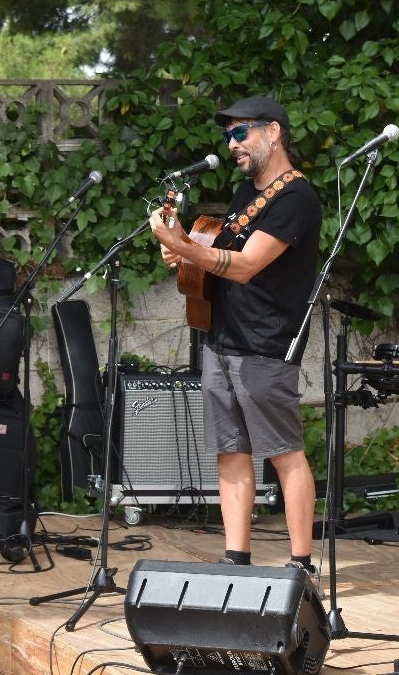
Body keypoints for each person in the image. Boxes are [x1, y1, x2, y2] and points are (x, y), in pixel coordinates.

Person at [149, 96, 321, 581]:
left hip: (266, 343)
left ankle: (301, 564)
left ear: (273, 131)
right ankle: (236, 558)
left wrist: (183, 245)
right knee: (230, 450)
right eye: (228, 137)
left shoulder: (297, 200)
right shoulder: (247, 193)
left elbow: (246, 266)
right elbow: (221, 251)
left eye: (240, 133)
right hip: (222, 337)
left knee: (285, 452)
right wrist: (187, 255)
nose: (232, 145)